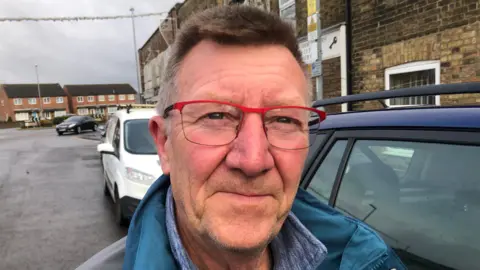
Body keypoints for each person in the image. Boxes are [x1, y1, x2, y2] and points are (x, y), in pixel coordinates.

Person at [77, 5, 405, 270]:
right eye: (215, 116)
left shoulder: (365, 261)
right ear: (164, 144)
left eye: (283, 119)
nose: (253, 160)